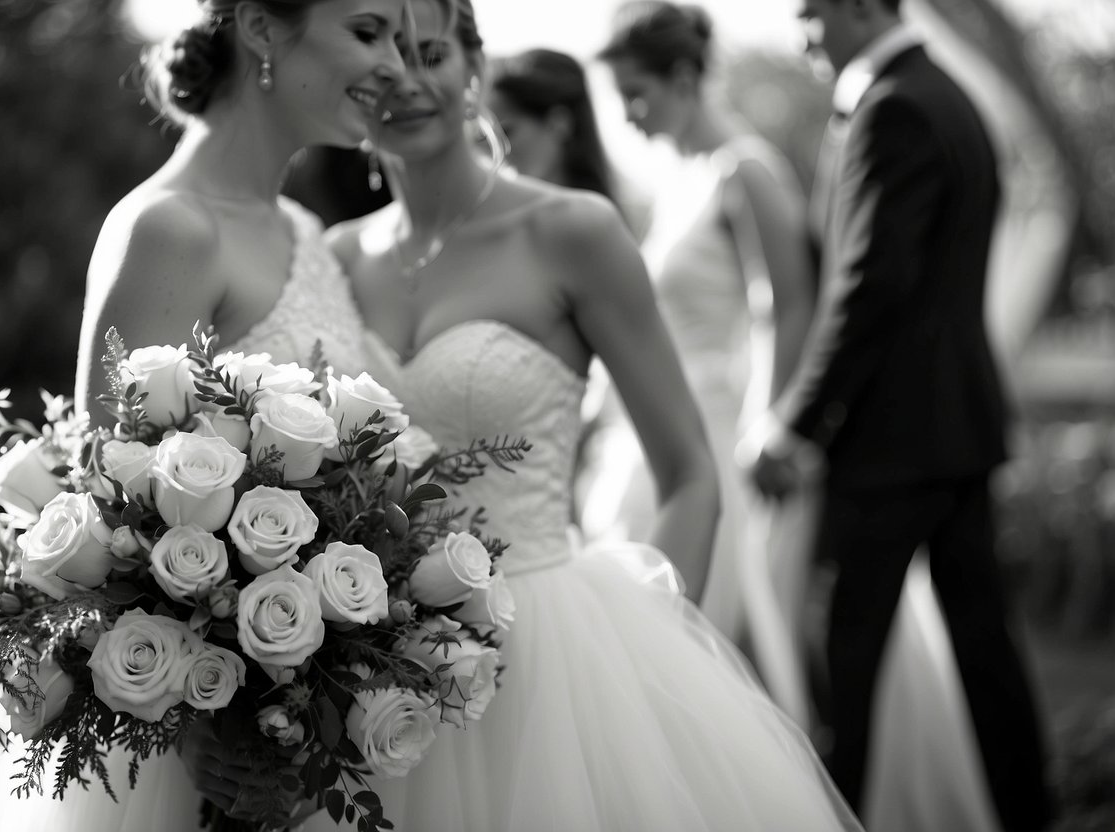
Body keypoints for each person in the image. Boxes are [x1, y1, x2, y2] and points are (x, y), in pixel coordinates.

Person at [296, 1, 864, 828]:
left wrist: (652, 666)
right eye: (380, 60)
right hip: (367, 662)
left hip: (546, 648)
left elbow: (688, 475)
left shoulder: (571, 232)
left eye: (430, 54)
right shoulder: (334, 257)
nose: (406, 82)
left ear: (474, 69)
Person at [0, 1, 406, 830]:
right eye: (369, 32)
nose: (398, 71)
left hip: (282, 707)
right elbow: (106, 507)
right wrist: (193, 710)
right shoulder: (169, 228)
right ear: (264, 29)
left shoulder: (303, 229)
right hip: (191, 740)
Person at [744, 2, 1053, 831]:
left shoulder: (895, 108)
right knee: (984, 652)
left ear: (859, 6)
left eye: (809, 14)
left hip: (893, 447)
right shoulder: (945, 95)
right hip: (957, 430)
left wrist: (795, 425)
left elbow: (871, 286)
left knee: (842, 658)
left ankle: (835, 816)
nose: (801, 33)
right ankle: (1030, 813)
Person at [589, 0, 818, 705]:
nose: (626, 113)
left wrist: (767, 424)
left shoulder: (745, 170)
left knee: (711, 640)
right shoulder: (675, 181)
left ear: (684, 77)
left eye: (636, 92)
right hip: (658, 425)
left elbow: (783, 307)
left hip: (726, 430)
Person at [485, 49, 617, 204]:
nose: (497, 151)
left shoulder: (607, 216)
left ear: (559, 123)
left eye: (507, 132)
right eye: (488, 137)